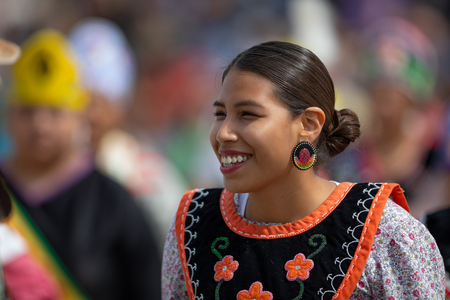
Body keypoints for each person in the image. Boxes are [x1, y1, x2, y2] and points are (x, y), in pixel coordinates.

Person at [162, 41, 446, 299]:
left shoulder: (386, 234)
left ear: (309, 124)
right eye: (220, 114)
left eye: (248, 114)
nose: (223, 133)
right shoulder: (193, 225)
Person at [2, 29, 161, 299]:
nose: (40, 125)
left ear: (79, 116)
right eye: (27, 110)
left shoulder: (113, 202)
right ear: (9, 114)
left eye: (55, 112)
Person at [68, 18, 189, 248]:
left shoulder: (147, 174)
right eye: (79, 102)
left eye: (99, 102)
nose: (89, 114)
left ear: (120, 105)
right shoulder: (46, 170)